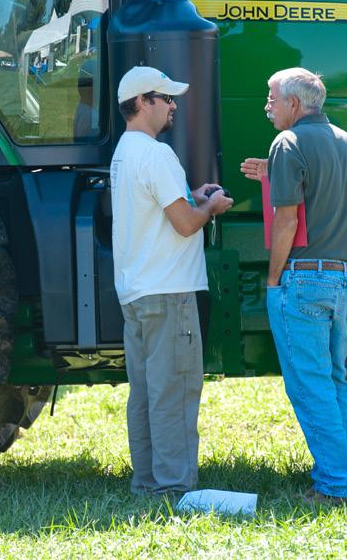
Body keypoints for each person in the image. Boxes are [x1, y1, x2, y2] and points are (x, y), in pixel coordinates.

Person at [240, 67, 347, 505]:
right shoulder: (345, 140)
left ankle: (338, 485)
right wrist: (272, 175)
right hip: (344, 281)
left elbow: (289, 219)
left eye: (272, 98)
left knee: (309, 385)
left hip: (304, 280)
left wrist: (274, 278)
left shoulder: (287, 142)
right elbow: (322, 198)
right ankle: (338, 473)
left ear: (295, 103)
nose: (267, 107)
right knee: (332, 382)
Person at [110, 65, 234, 497]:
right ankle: (174, 486)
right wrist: (211, 207)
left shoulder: (125, 152)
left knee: (145, 394)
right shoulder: (158, 154)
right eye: (164, 98)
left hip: (138, 293)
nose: (172, 105)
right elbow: (184, 224)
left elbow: (161, 209)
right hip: (170, 294)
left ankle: (147, 482)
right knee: (176, 393)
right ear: (142, 103)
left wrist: (194, 196)